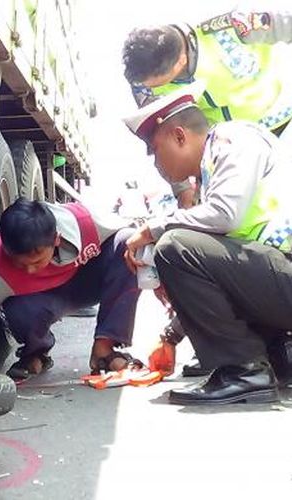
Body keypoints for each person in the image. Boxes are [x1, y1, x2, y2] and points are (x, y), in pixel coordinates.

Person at [122, 82, 292, 405]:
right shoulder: (212, 166)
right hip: (280, 276)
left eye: (155, 151)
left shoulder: (233, 140)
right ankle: (277, 356)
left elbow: (225, 215)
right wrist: (171, 333)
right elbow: (226, 268)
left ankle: (243, 370)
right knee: (182, 247)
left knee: (174, 246)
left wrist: (153, 229)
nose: (157, 166)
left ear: (179, 136)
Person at [122, 9, 292, 210]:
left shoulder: (227, 27)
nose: (151, 89)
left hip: (282, 119)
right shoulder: (143, 84)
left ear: (181, 62)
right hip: (231, 150)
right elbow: (163, 137)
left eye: (158, 84)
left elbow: (286, 24)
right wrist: (182, 187)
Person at [0, 198, 140, 380]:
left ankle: (104, 350)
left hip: (85, 283)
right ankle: (36, 352)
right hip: (44, 298)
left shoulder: (85, 222)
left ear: (56, 239)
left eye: (37, 261)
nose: (30, 270)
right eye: (21, 264)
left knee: (128, 243)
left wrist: (161, 282)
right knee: (19, 311)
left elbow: (139, 236)